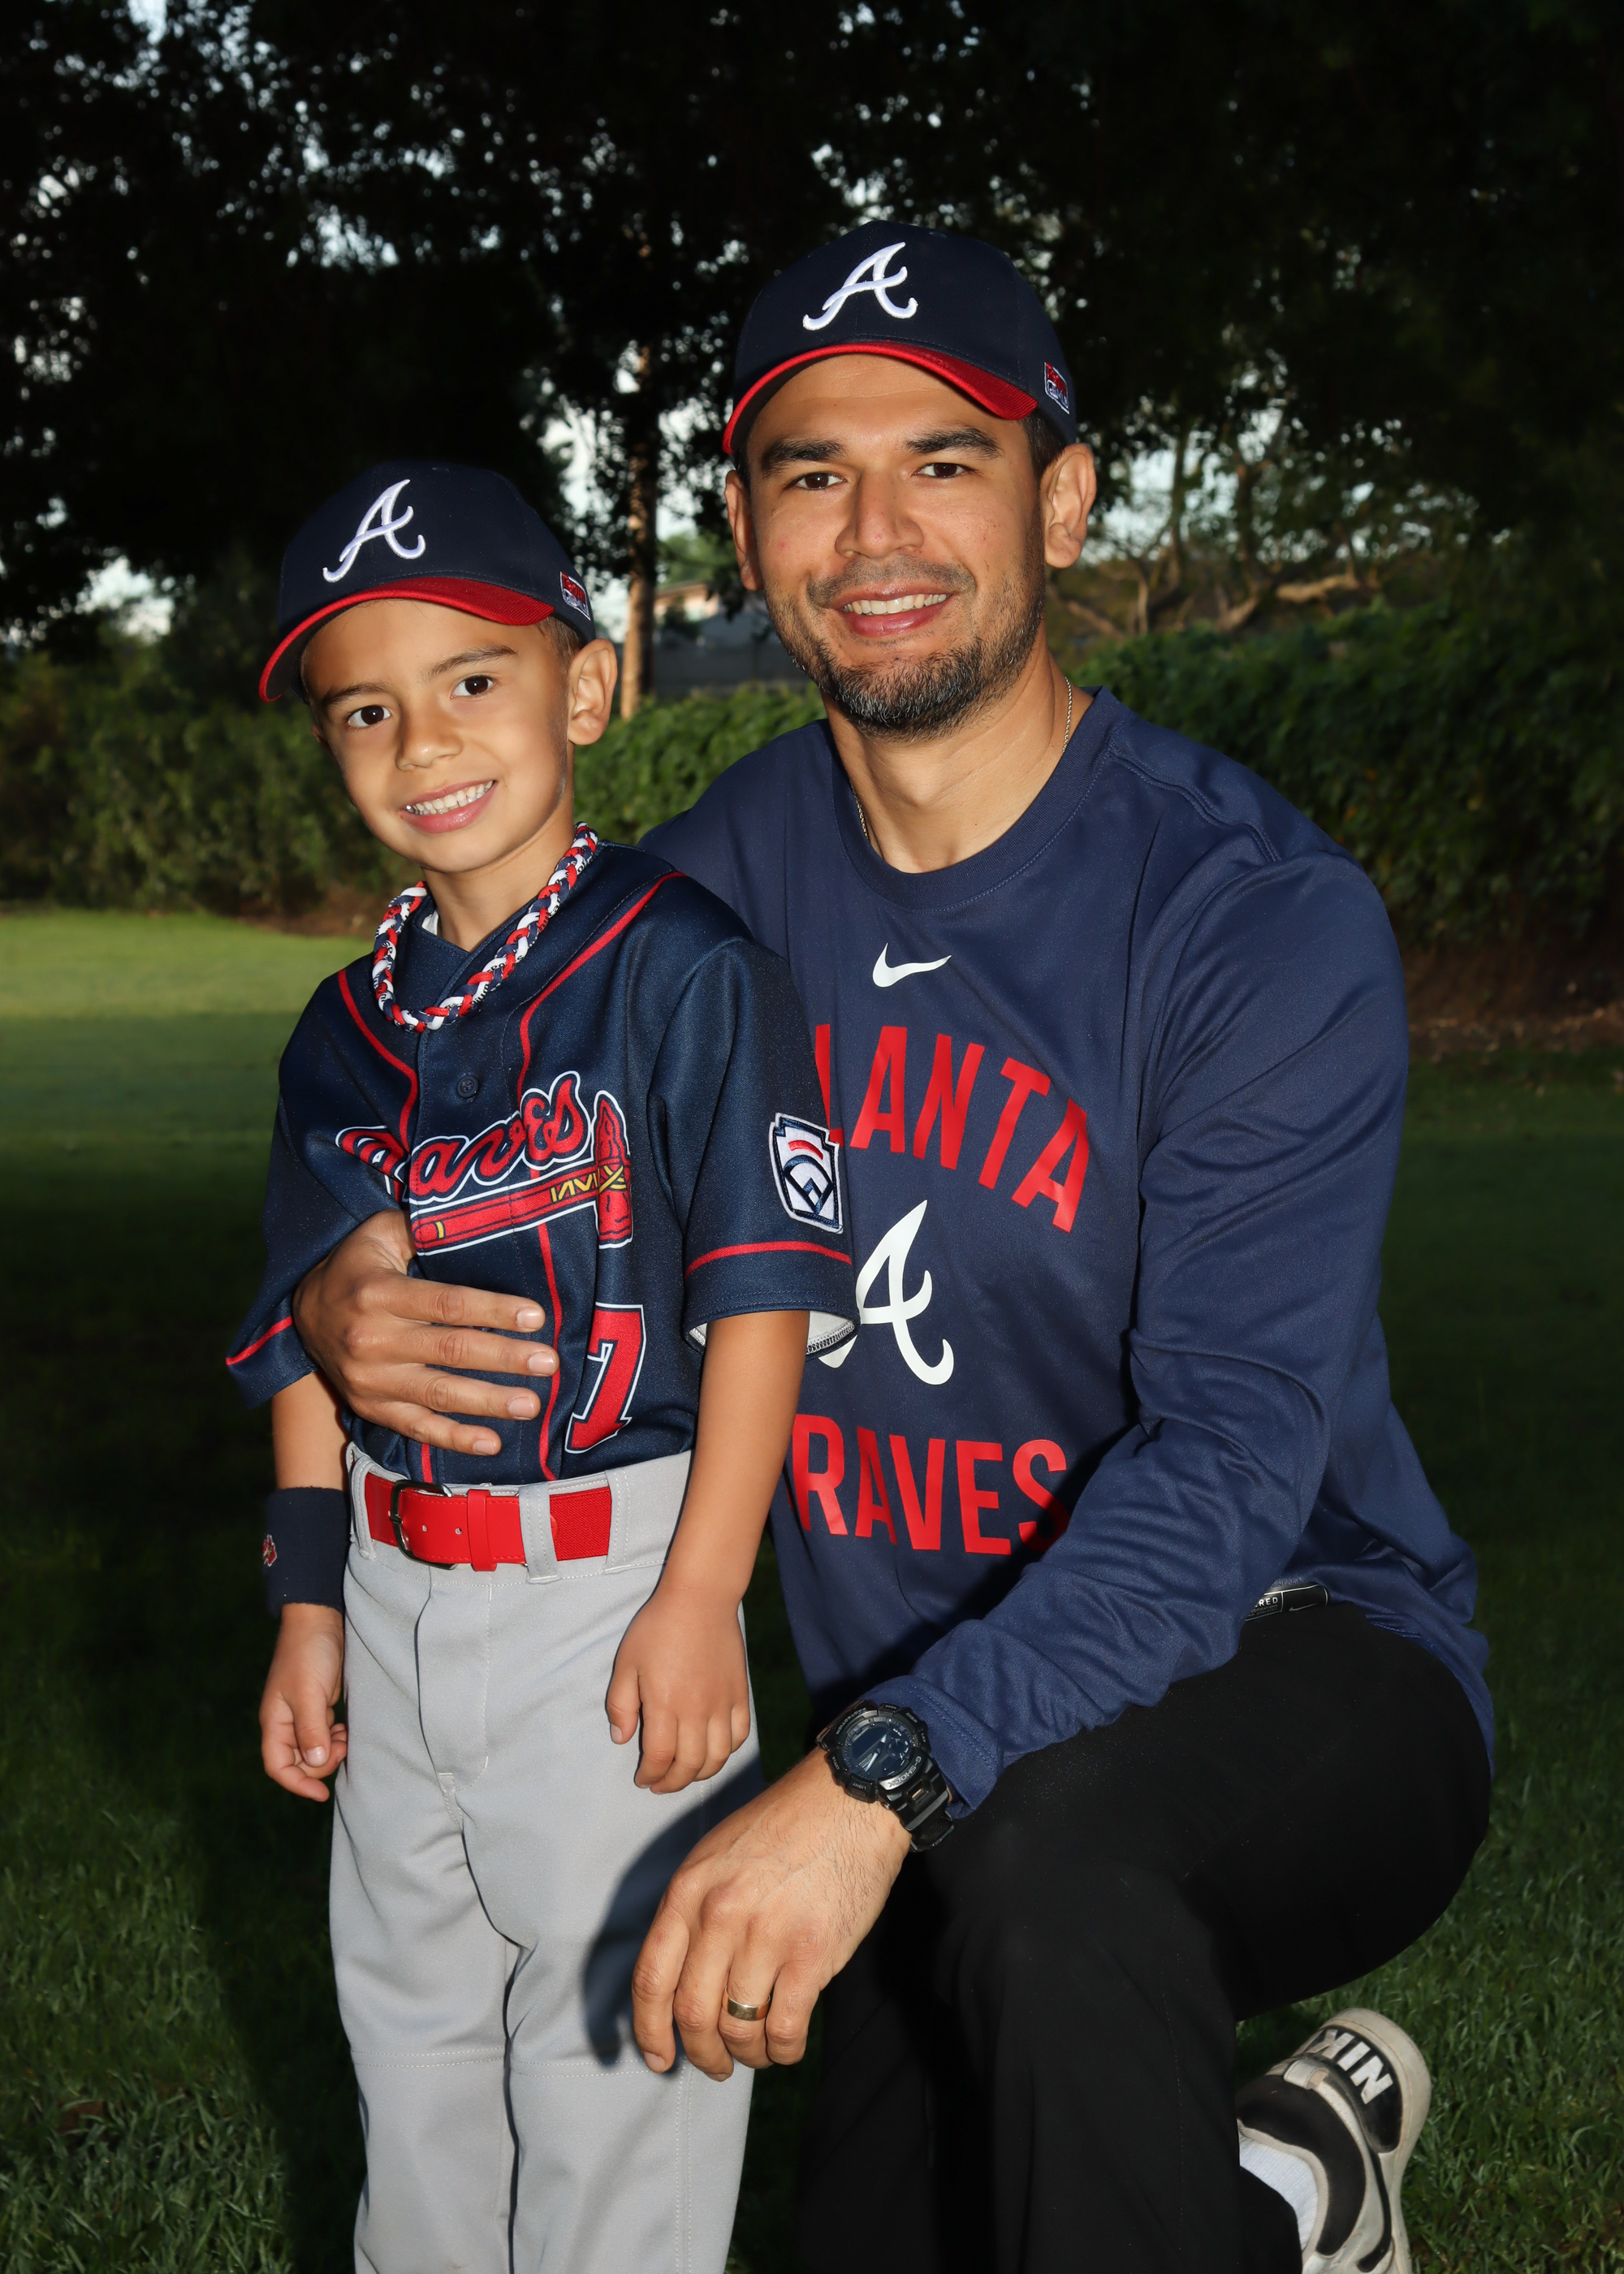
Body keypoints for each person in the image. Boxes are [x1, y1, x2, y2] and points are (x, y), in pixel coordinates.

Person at [290, 231, 1492, 2274]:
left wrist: (872, 1778)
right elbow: (454, 1151)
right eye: (811, 473)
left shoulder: (1248, 914)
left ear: (1063, 496)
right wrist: (347, 1278)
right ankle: (1289, 2194)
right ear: (749, 529)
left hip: (1299, 1650)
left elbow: (1224, 1463)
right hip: (916, 1724)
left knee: (1048, 1872)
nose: (873, 532)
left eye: (944, 460)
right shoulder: (679, 918)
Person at [227, 459, 856, 2274]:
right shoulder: (343, 1030)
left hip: (611, 1587)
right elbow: (301, 1336)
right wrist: (308, 1602)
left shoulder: (683, 965)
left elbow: (762, 1303)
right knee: (411, 2044)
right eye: (366, 707)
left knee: (619, 2059)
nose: (422, 738)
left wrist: (705, 1593)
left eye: (473, 678)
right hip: (397, 1589)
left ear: (586, 687)